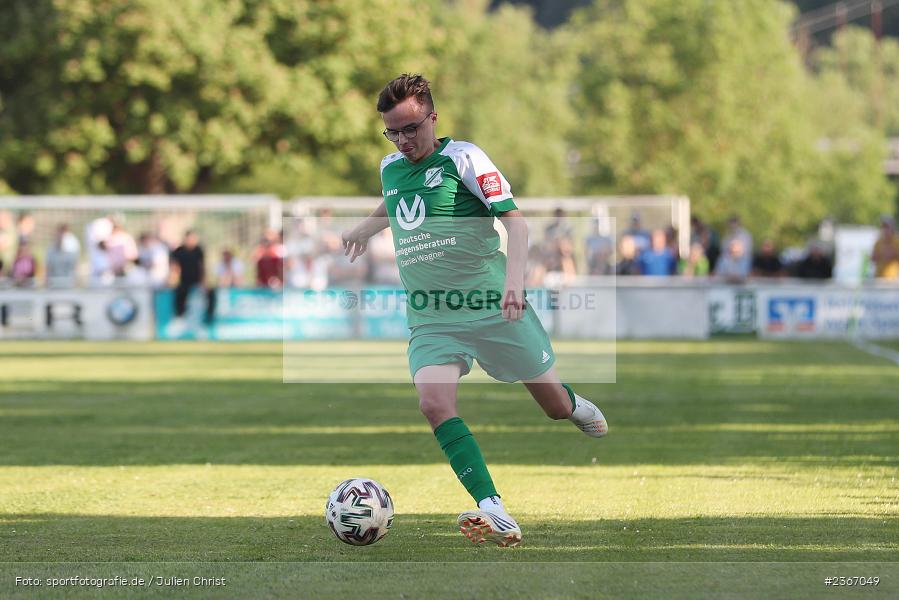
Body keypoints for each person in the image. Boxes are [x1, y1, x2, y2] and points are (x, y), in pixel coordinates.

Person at [340, 74, 608, 548]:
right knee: (432, 403)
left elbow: (516, 224)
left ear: (433, 117)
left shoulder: (464, 158)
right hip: (432, 316)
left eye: (411, 129)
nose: (403, 141)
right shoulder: (390, 166)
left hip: (491, 304)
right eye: (393, 132)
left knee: (550, 406)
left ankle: (571, 403)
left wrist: (513, 284)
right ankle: (492, 506)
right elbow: (395, 201)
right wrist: (364, 228)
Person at [169, 230, 207, 319]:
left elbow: (202, 267)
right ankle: (179, 315)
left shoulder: (198, 250)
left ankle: (206, 317)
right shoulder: (179, 251)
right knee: (180, 295)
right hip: (183, 281)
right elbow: (175, 267)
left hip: (196, 281)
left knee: (207, 296)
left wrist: (204, 282)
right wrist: (173, 279)